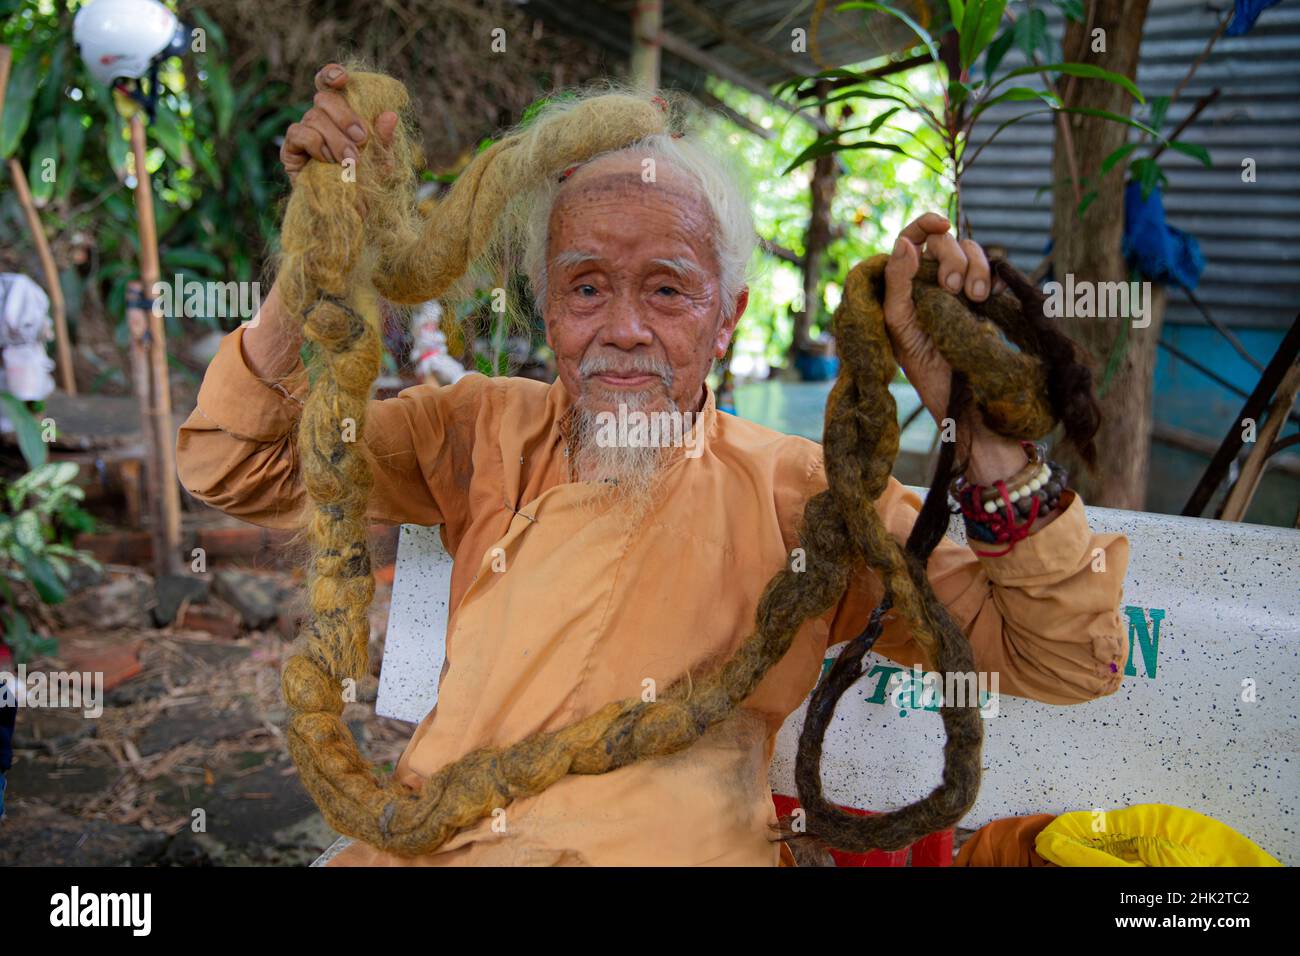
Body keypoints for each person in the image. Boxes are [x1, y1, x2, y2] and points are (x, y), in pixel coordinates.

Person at [176, 64, 1130, 866]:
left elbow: (1064, 659)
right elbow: (237, 465)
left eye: (667, 289)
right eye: (586, 286)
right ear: (547, 310)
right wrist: (315, 252)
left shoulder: (804, 496)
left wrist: (981, 417)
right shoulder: (476, 430)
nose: (621, 329)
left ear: (729, 318)